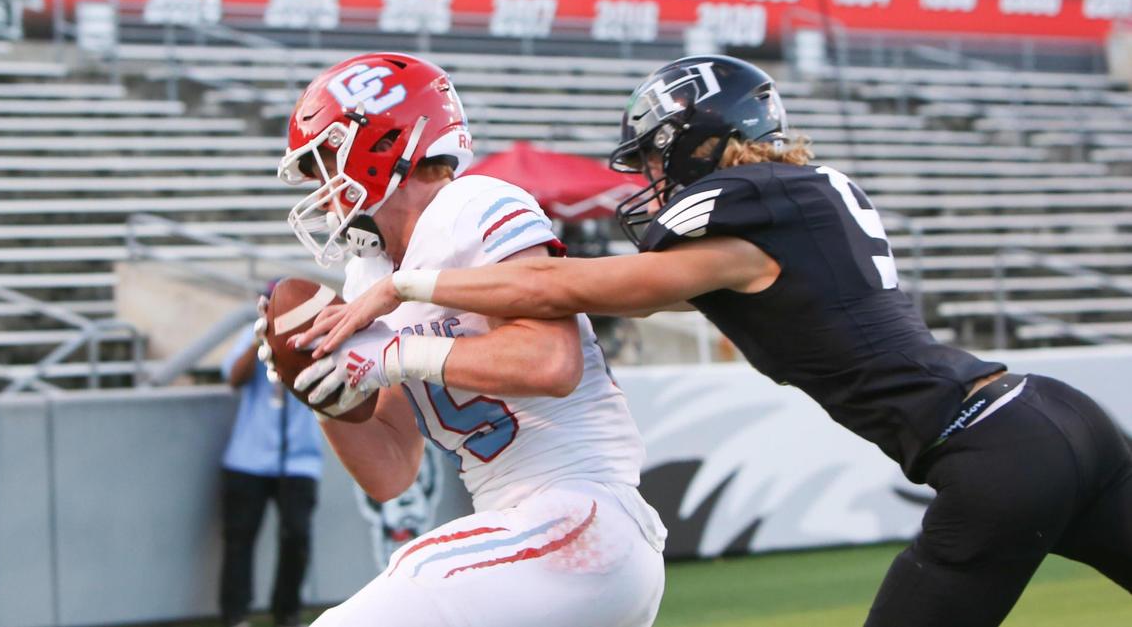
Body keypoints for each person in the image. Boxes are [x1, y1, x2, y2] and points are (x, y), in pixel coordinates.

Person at [298, 55, 1132, 626]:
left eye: (655, 161)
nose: (649, 184)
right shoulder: (792, 199)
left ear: (695, 142)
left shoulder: (742, 225)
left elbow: (566, 292)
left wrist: (402, 295)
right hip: (1048, 418)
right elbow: (393, 455)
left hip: (988, 450)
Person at [269, 52, 666, 627]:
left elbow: (552, 363)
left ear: (381, 144)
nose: (322, 187)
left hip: (581, 516)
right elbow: (389, 472)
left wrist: (393, 354)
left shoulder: (474, 206)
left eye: (326, 160)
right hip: (529, 538)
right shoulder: (369, 273)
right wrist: (322, 389)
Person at [220, 295, 323, 627]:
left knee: (297, 536)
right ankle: (235, 614)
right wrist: (260, 343)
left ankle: (287, 612)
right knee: (239, 538)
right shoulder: (252, 336)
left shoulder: (316, 336)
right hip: (247, 459)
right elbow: (233, 377)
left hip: (299, 459)